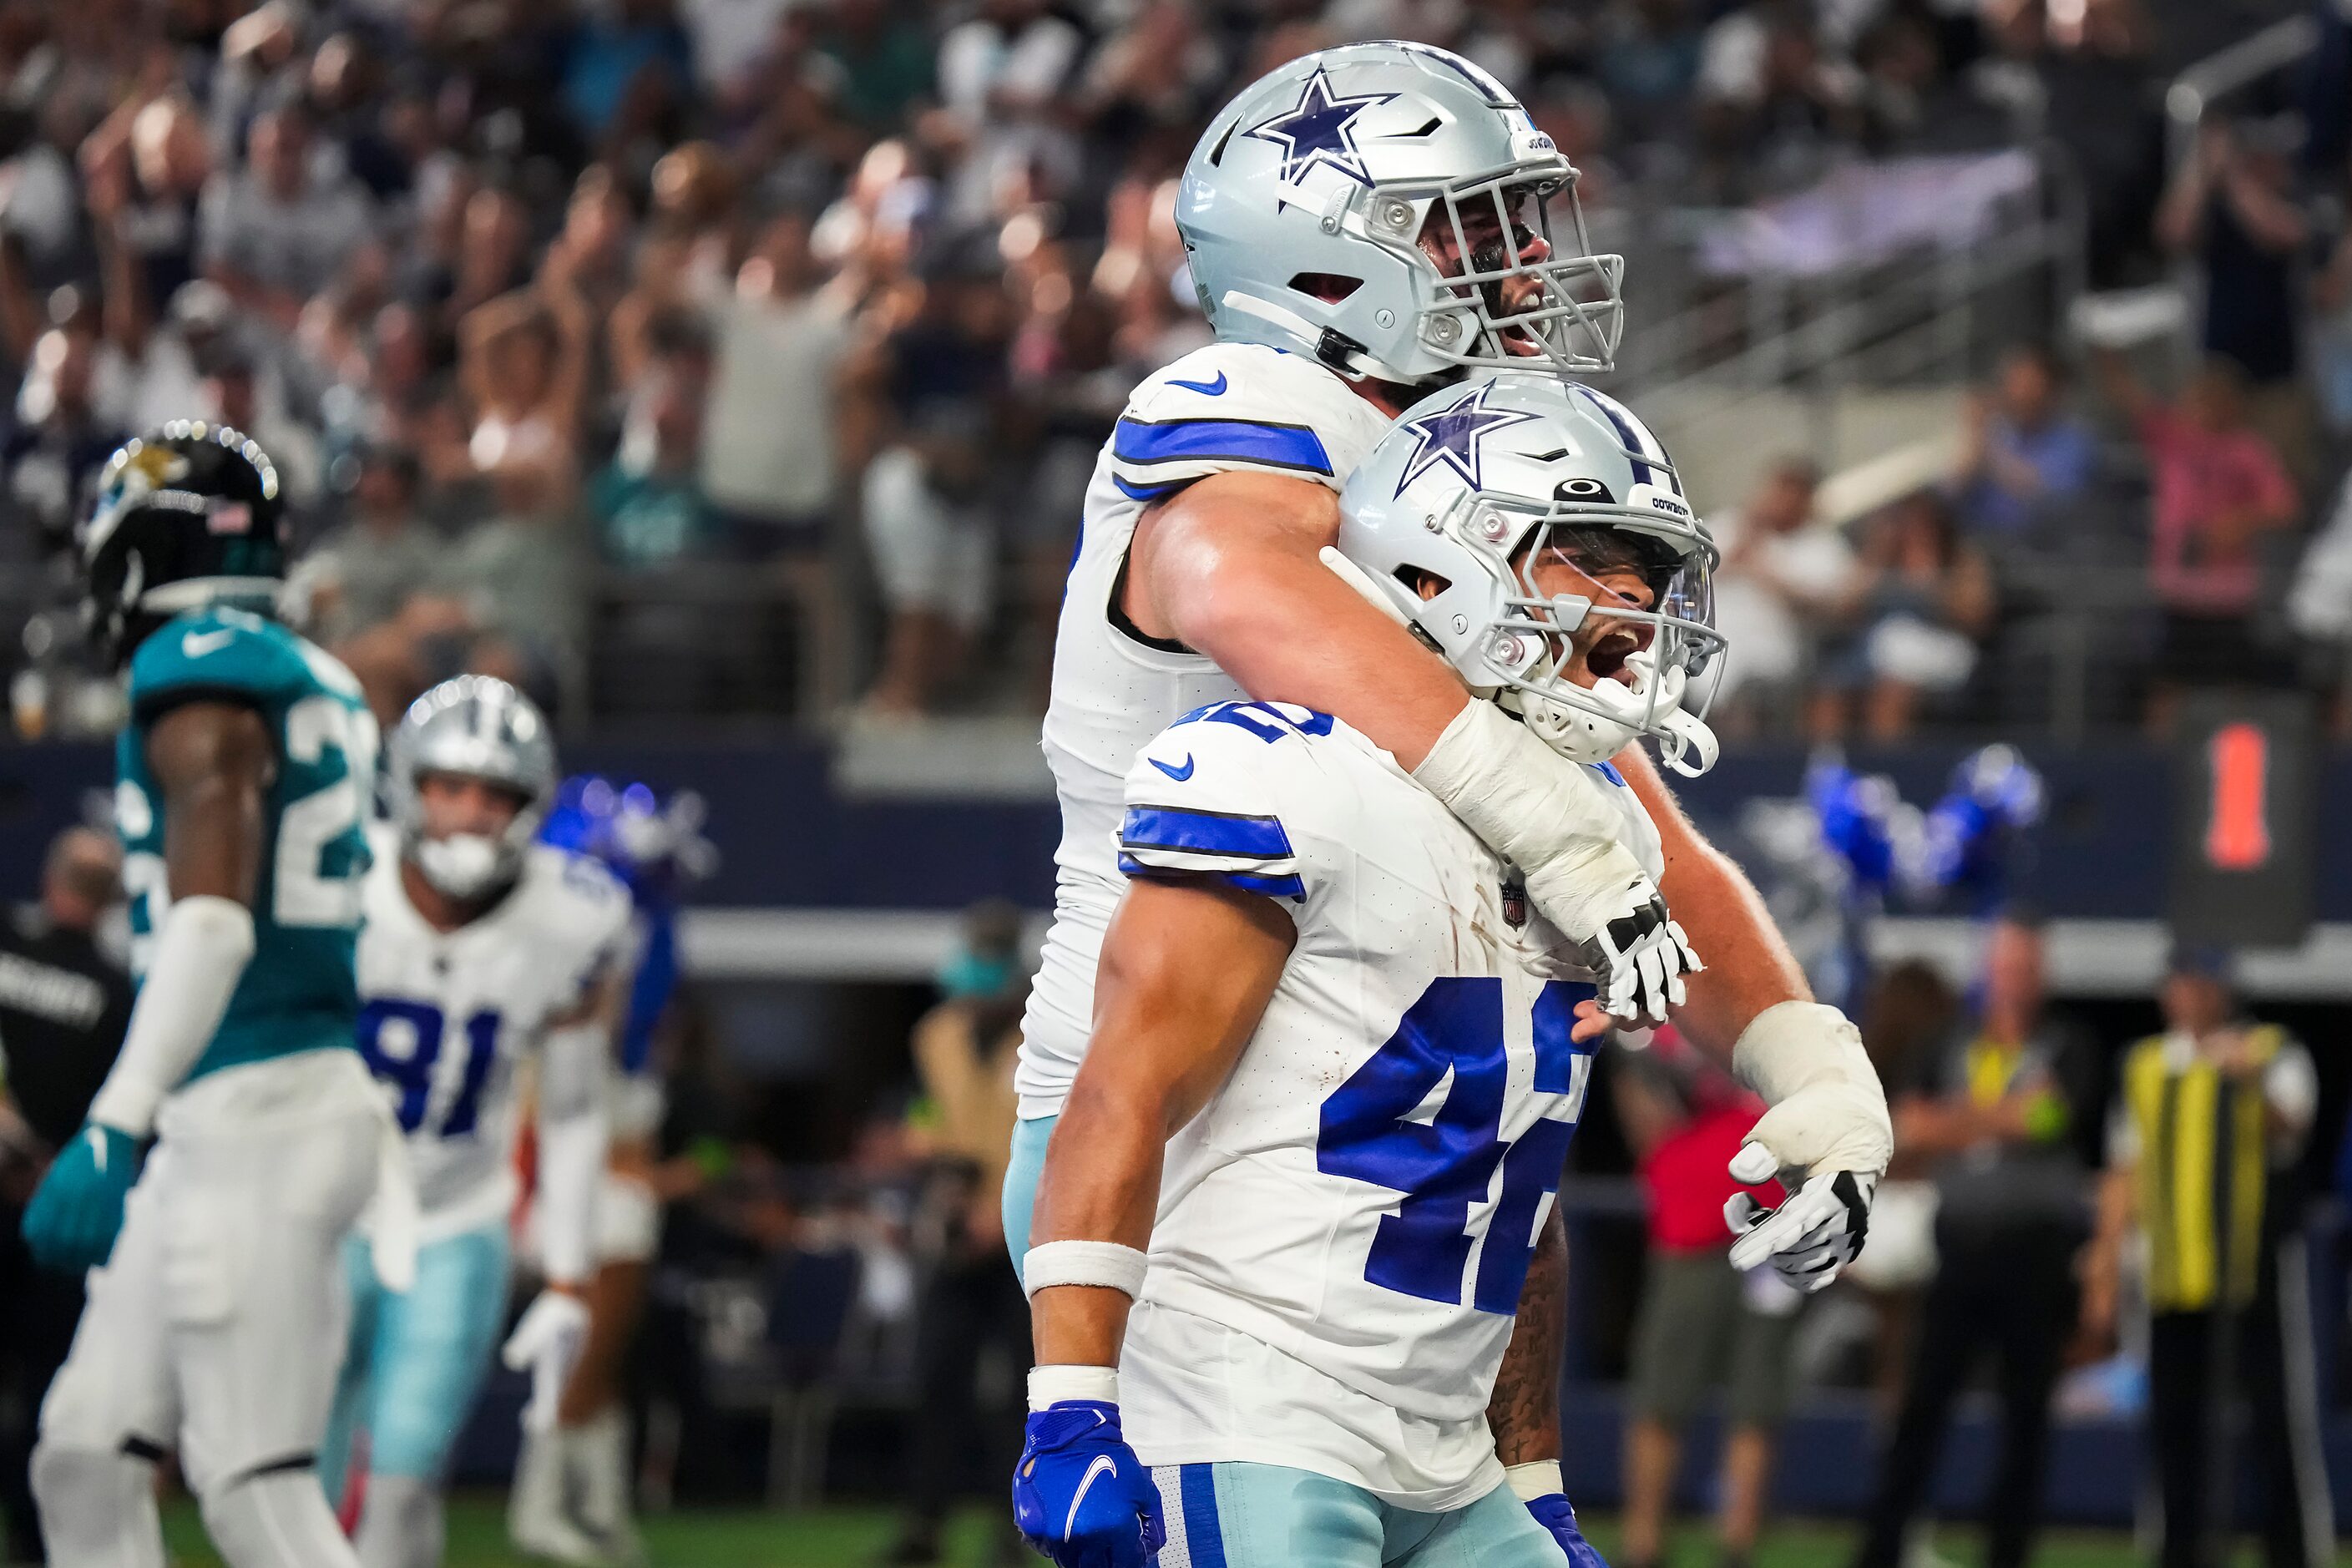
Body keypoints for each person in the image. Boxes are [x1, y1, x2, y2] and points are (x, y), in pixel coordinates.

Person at [1010, 46, 1894, 1551]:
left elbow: (1637, 830)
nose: (1527, 261)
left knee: (1512, 1124)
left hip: (1406, 1055)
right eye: (1471, 227)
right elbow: (1232, 577)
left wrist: (1805, 1059)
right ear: (1325, 262)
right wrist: (1539, 820)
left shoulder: (1448, 478)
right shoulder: (1254, 412)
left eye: (1523, 221)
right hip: (1203, 1104)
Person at [1012, 372, 1722, 1567]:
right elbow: (1122, 1087)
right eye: (1588, 558)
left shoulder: (1603, 834)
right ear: (1437, 566)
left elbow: (1514, 1186)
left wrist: (1532, 1477)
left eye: (1645, 572)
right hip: (1251, 1407)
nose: (1634, 604)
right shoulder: (1287, 774)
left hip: (1444, 1452)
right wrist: (1070, 1399)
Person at [21, 423, 391, 1568]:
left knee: (255, 1490)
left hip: (258, 1108)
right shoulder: (306, 670)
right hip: (231, 1109)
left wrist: (113, 1118)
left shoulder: (198, 663)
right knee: (83, 1455)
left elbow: (217, 920)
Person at [321, 675, 631, 1568]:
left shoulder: (576, 914)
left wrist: (570, 1276)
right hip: (319, 1210)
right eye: (450, 787)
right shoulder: (337, 875)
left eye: (495, 794)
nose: (469, 814)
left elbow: (573, 1109)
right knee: (289, 1472)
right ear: (407, 785)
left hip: (455, 1218)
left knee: (406, 1481)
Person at [1851, 915, 2094, 1568]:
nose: (2012, 980)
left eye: (2024, 967)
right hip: (1958, 1248)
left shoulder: (2066, 1043)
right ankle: (1882, 1546)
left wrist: (1952, 1122)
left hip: (2035, 1252)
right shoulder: (1948, 1040)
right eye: (2004, 966)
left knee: (2024, 1419)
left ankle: (2006, 1553)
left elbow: (2048, 1118)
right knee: (1922, 1407)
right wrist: (1999, 1119)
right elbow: (1906, 1126)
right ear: (1986, 973)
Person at [2083, 945, 2329, 1568]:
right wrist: (2106, 1267)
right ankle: (2180, 1551)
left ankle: (2291, 1551)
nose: (2189, 997)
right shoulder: (2143, 1065)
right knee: (2173, 1433)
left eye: (2201, 984)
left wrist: (2244, 1078)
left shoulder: (2270, 1051)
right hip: (2171, 1278)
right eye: (2180, 984)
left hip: (2250, 1273)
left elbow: (2291, 1128)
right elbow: (2124, 1168)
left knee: (2273, 1428)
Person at [1613, 1027, 1802, 1568]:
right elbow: (1641, 1108)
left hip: (1770, 1219)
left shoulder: (1769, 1008)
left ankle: (1735, 1547)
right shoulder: (1659, 1016)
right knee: (1661, 1394)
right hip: (1693, 1219)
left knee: (1756, 1398)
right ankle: (1642, 1546)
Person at [882, 901, 1032, 1566]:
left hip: (1023, 1236)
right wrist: (928, 1159)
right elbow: (926, 1112)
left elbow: (1051, 1141)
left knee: (1021, 1392)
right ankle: (925, 1526)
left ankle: (1017, 1529)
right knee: (937, 1380)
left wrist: (999, 1217)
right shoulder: (936, 1033)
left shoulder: (1043, 1034)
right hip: (953, 1229)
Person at [0, 826, 135, 1565]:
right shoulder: (107, 985)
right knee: (48, 1386)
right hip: (48, 1198)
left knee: (52, 1389)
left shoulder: (118, 987)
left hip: (52, 1203)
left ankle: (32, 1538)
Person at [1950, 344, 2098, 543]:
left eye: (2029, 385)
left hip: (2046, 552)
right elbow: (1952, 491)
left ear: (2052, 391)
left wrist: (1988, 448)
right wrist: (1975, 436)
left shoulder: (2075, 442)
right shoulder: (1997, 431)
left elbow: (2044, 498)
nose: (2019, 394)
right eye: (2013, 384)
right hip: (1983, 544)